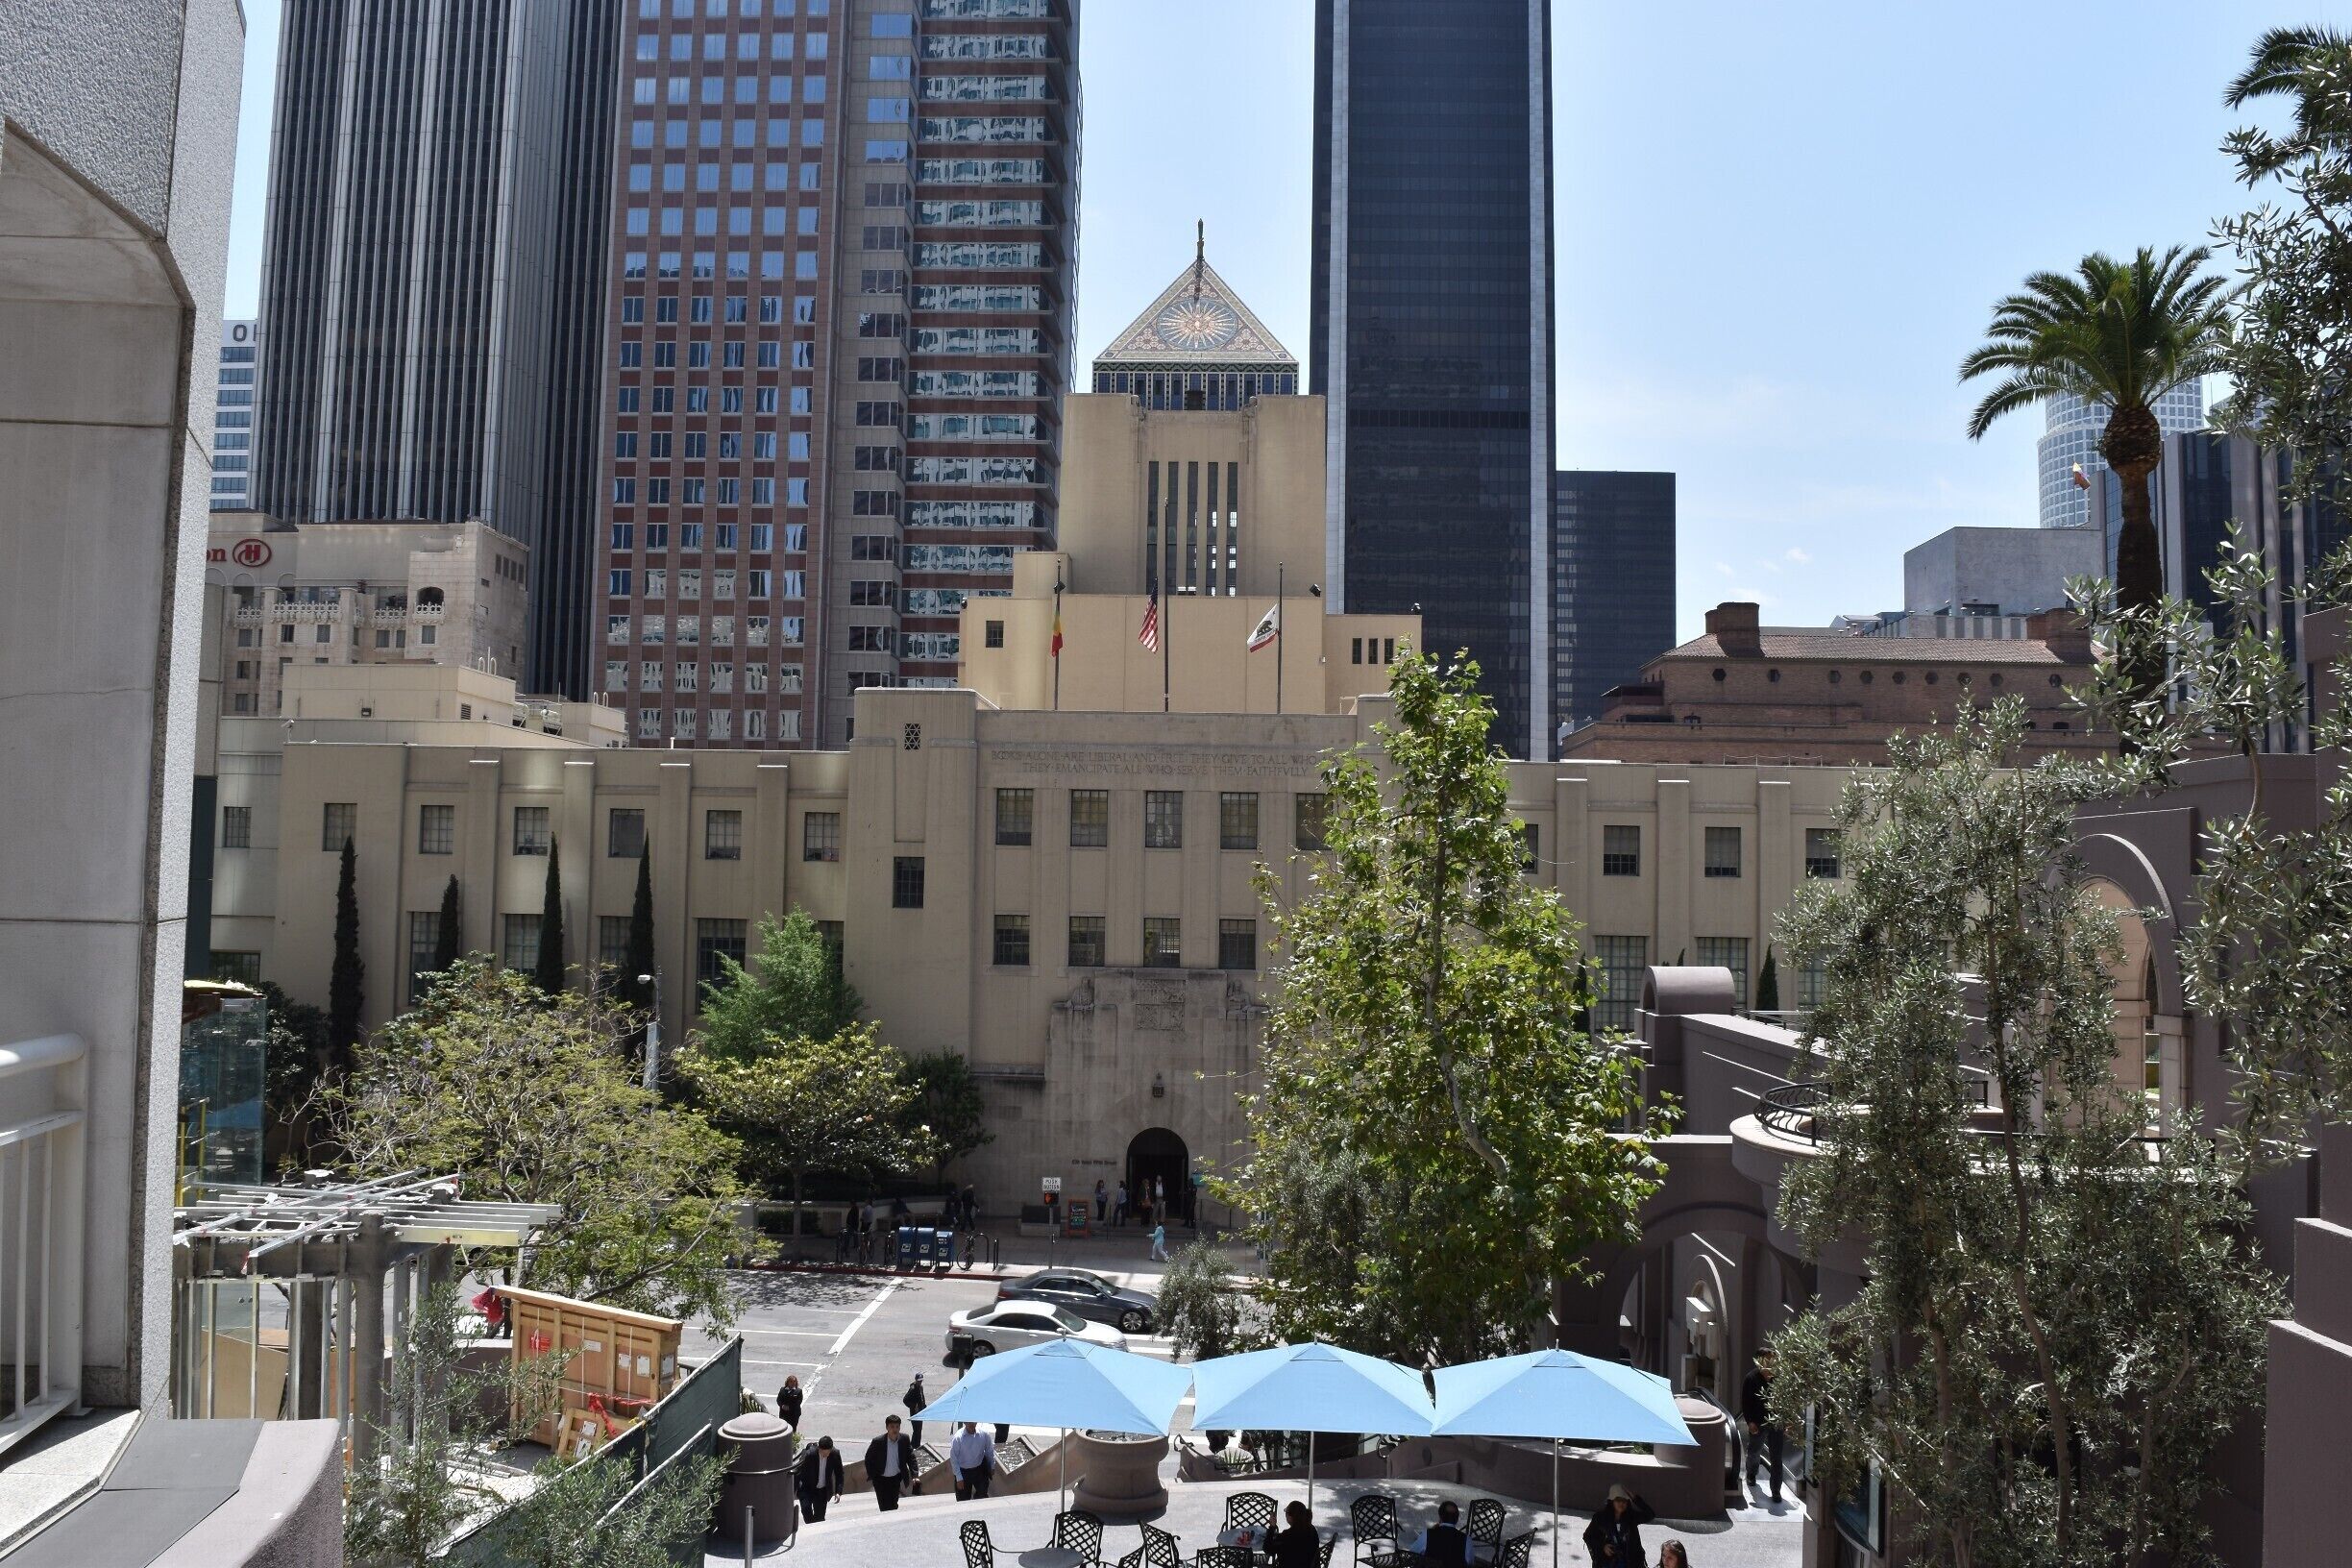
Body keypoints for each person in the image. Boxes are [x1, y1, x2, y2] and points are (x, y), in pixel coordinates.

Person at [1741, 1349, 1785, 1504]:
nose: (1771, 1362)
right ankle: (1751, 1474)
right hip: (1758, 1421)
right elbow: (1746, 1402)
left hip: (1776, 1422)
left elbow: (1786, 1401)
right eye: (1767, 1359)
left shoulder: (1779, 1378)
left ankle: (1776, 1491)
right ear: (1759, 1361)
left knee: (1776, 1457)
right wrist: (1750, 1422)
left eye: (1772, 1359)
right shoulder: (1751, 1378)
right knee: (1754, 1451)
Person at [1582, 1483, 1656, 1567]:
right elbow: (1588, 1536)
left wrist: (1635, 1498)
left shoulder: (1631, 1517)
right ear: (1611, 1501)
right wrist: (1603, 1546)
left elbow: (1650, 1514)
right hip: (1608, 1562)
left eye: (1624, 1500)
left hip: (1630, 1562)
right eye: (1618, 1500)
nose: (1621, 1503)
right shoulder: (1600, 1518)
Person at [865, 1415, 920, 1511]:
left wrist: (915, 1475)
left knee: (894, 1505)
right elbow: (868, 1459)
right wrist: (873, 1475)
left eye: (897, 1427)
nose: (895, 1429)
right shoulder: (878, 1442)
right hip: (880, 1480)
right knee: (884, 1507)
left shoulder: (904, 1439)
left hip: (895, 1479)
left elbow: (911, 1458)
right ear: (887, 1428)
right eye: (892, 1427)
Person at [794, 1435, 845, 1523]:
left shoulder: (835, 1454)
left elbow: (839, 1473)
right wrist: (793, 1492)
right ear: (819, 1449)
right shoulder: (809, 1454)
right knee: (806, 1512)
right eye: (824, 1454)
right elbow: (798, 1472)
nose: (826, 1456)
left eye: (828, 1453)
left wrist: (838, 1491)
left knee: (820, 1518)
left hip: (822, 1491)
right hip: (807, 1488)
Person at [1408, 1501, 1471, 1566]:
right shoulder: (1466, 1540)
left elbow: (1412, 1553)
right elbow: (1469, 1562)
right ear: (1457, 1519)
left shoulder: (1428, 1534)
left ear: (1440, 1517)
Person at [948, 1421, 996, 1500]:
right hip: (963, 1471)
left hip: (979, 1469)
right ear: (964, 1422)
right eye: (968, 1422)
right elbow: (954, 1459)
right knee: (963, 1499)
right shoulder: (958, 1438)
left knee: (982, 1495)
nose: (971, 1424)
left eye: (973, 1421)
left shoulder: (984, 1434)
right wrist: (959, 1477)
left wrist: (992, 1465)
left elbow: (989, 1451)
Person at [1267, 1501, 1321, 1568]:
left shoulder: (1287, 1536)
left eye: (1286, 1512)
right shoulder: (1311, 1529)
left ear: (1291, 1517)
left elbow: (1267, 1548)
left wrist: (1272, 1527)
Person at [902, 1371, 928, 1446]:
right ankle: (914, 1446)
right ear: (916, 1380)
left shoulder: (921, 1387)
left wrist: (924, 1407)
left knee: (919, 1430)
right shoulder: (913, 1389)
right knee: (916, 1430)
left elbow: (922, 1398)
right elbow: (905, 1400)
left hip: (921, 1412)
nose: (920, 1382)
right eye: (919, 1381)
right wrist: (914, 1406)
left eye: (921, 1381)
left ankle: (916, 1445)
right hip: (915, 1413)